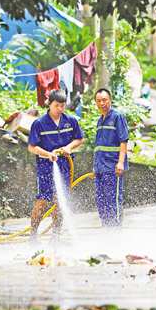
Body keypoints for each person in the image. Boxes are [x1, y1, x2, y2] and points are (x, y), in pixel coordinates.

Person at [27, 90, 84, 237]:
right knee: (43, 200)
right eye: (57, 105)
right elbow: (32, 147)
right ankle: (33, 234)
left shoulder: (71, 121)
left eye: (62, 106)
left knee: (60, 200)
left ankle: (56, 235)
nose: (60, 109)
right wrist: (48, 154)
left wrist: (68, 148)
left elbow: (79, 139)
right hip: (45, 166)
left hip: (64, 165)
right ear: (49, 104)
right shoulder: (39, 123)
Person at [93, 88, 129, 226]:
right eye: (99, 101)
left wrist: (120, 163)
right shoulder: (99, 120)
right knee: (101, 201)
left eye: (104, 100)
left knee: (113, 200)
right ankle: (107, 231)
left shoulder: (117, 117)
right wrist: (95, 167)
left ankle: (116, 233)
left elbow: (123, 141)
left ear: (110, 100)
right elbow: (99, 146)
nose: (102, 103)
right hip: (100, 169)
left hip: (113, 167)